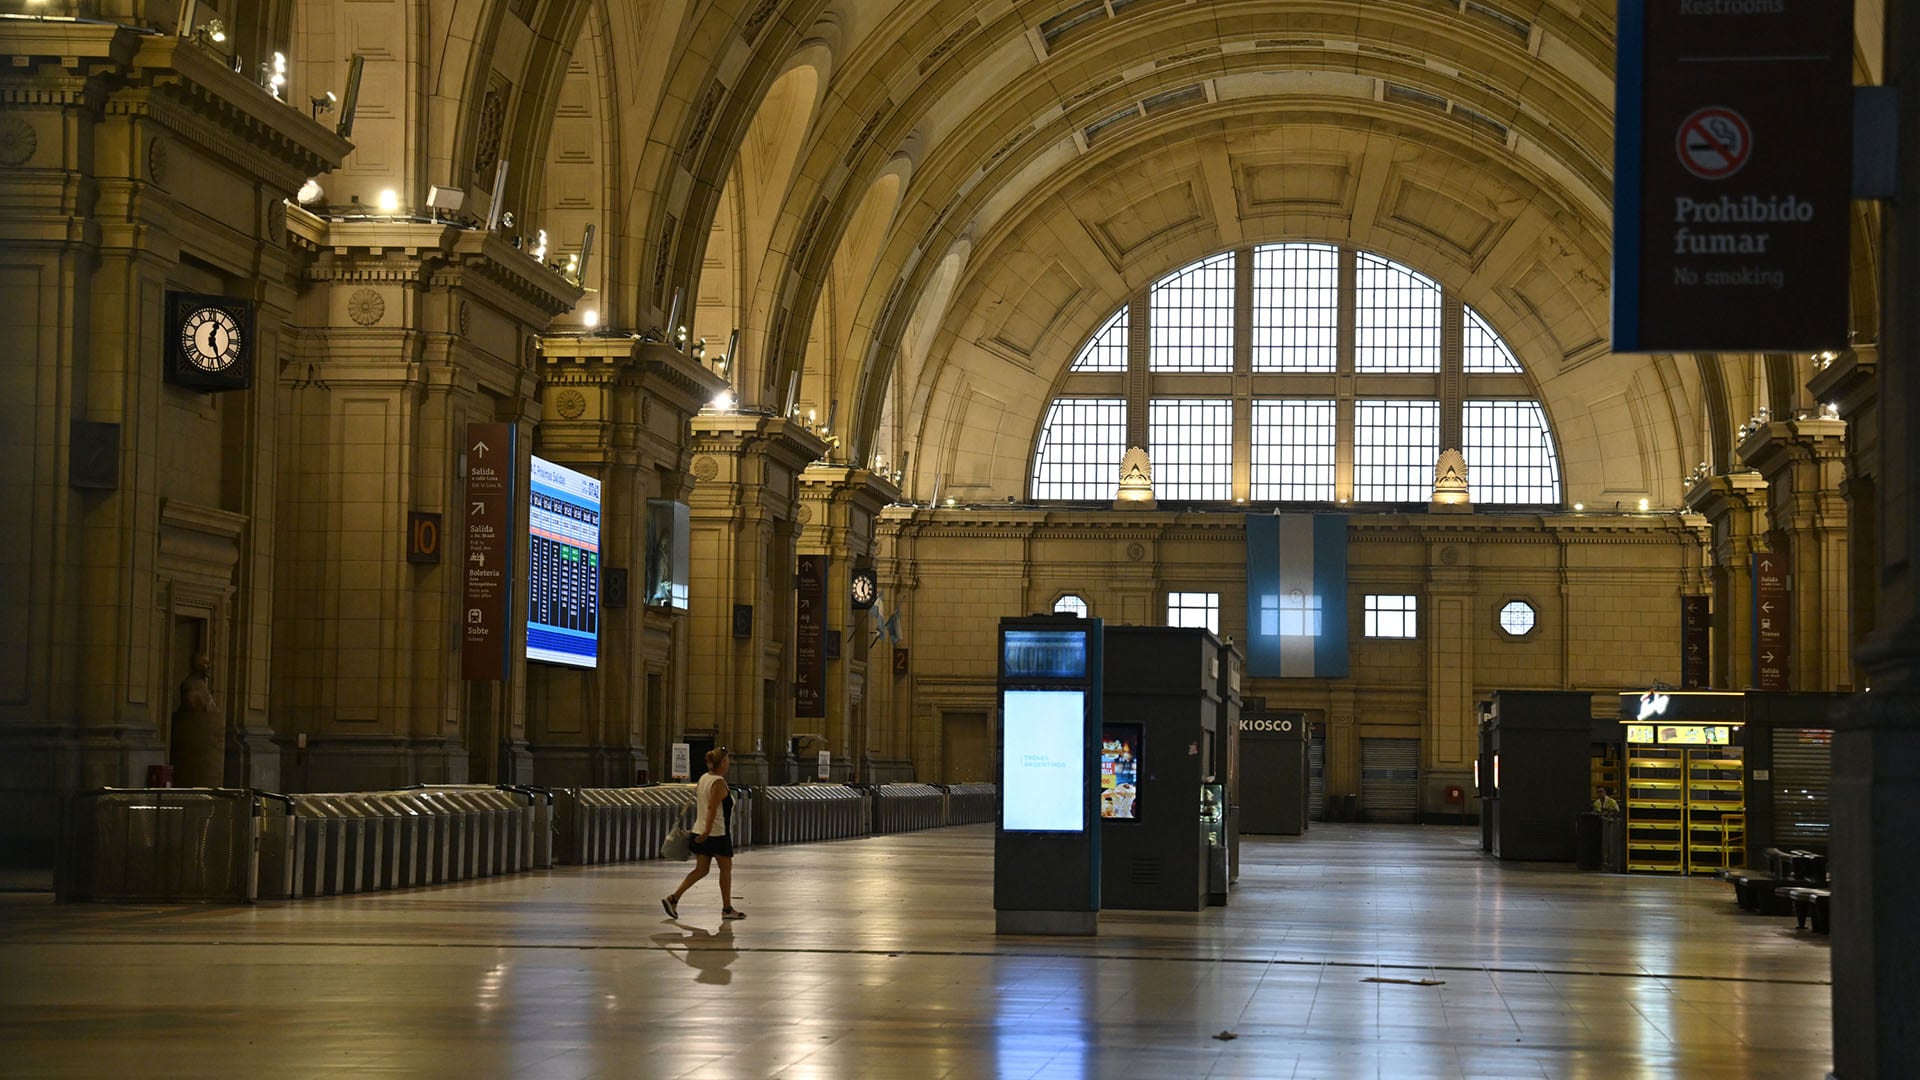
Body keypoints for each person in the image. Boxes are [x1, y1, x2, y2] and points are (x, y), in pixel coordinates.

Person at [662, 747, 745, 920]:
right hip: (716, 833)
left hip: (698, 830)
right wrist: (708, 831)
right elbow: (712, 808)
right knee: (725, 869)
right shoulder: (718, 782)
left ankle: (674, 898)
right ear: (722, 763)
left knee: (701, 869)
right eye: (727, 760)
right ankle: (727, 908)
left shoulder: (703, 778)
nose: (728, 763)